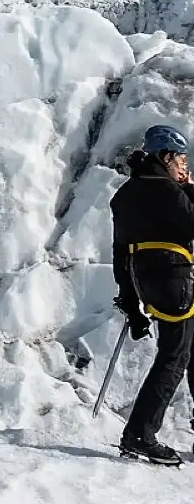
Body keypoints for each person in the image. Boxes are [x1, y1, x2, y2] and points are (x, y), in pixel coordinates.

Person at [110, 124, 194, 466]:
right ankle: (140, 434)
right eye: (182, 160)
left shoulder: (125, 195)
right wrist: (189, 189)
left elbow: (120, 254)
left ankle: (141, 432)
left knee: (187, 350)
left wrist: (131, 304)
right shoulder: (168, 190)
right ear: (166, 156)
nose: (185, 167)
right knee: (174, 356)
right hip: (174, 275)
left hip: (147, 278)